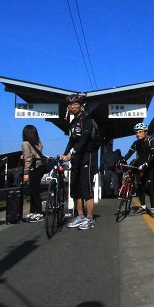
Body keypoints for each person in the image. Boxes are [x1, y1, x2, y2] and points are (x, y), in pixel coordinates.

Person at [60, 94, 96, 230]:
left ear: (81, 105)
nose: (71, 106)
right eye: (70, 104)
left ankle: (90, 218)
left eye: (75, 104)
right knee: (76, 189)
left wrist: (72, 154)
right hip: (76, 159)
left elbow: (85, 138)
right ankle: (80, 215)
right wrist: (65, 153)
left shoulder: (87, 120)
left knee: (86, 189)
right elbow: (72, 140)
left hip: (87, 156)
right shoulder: (73, 123)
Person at [123, 122, 154, 217]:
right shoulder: (136, 143)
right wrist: (122, 160)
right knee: (140, 187)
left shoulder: (151, 142)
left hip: (150, 168)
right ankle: (143, 206)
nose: (138, 134)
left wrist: (146, 163)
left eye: (140, 132)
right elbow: (129, 153)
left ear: (145, 132)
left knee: (151, 187)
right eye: (136, 132)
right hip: (141, 168)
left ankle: (153, 209)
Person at [21, 125, 45, 222]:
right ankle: (33, 211)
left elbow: (28, 158)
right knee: (34, 190)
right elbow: (37, 151)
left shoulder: (25, 143)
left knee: (34, 191)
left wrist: (26, 172)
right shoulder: (37, 143)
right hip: (41, 167)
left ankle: (38, 212)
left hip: (34, 168)